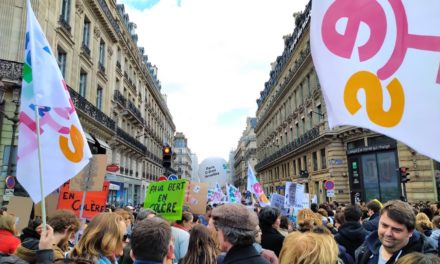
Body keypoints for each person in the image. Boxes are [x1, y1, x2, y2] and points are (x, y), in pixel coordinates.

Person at [356, 200, 437, 264]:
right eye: (384, 225)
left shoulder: (425, 259)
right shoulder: (364, 250)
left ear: (410, 232)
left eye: (396, 229)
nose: (388, 233)